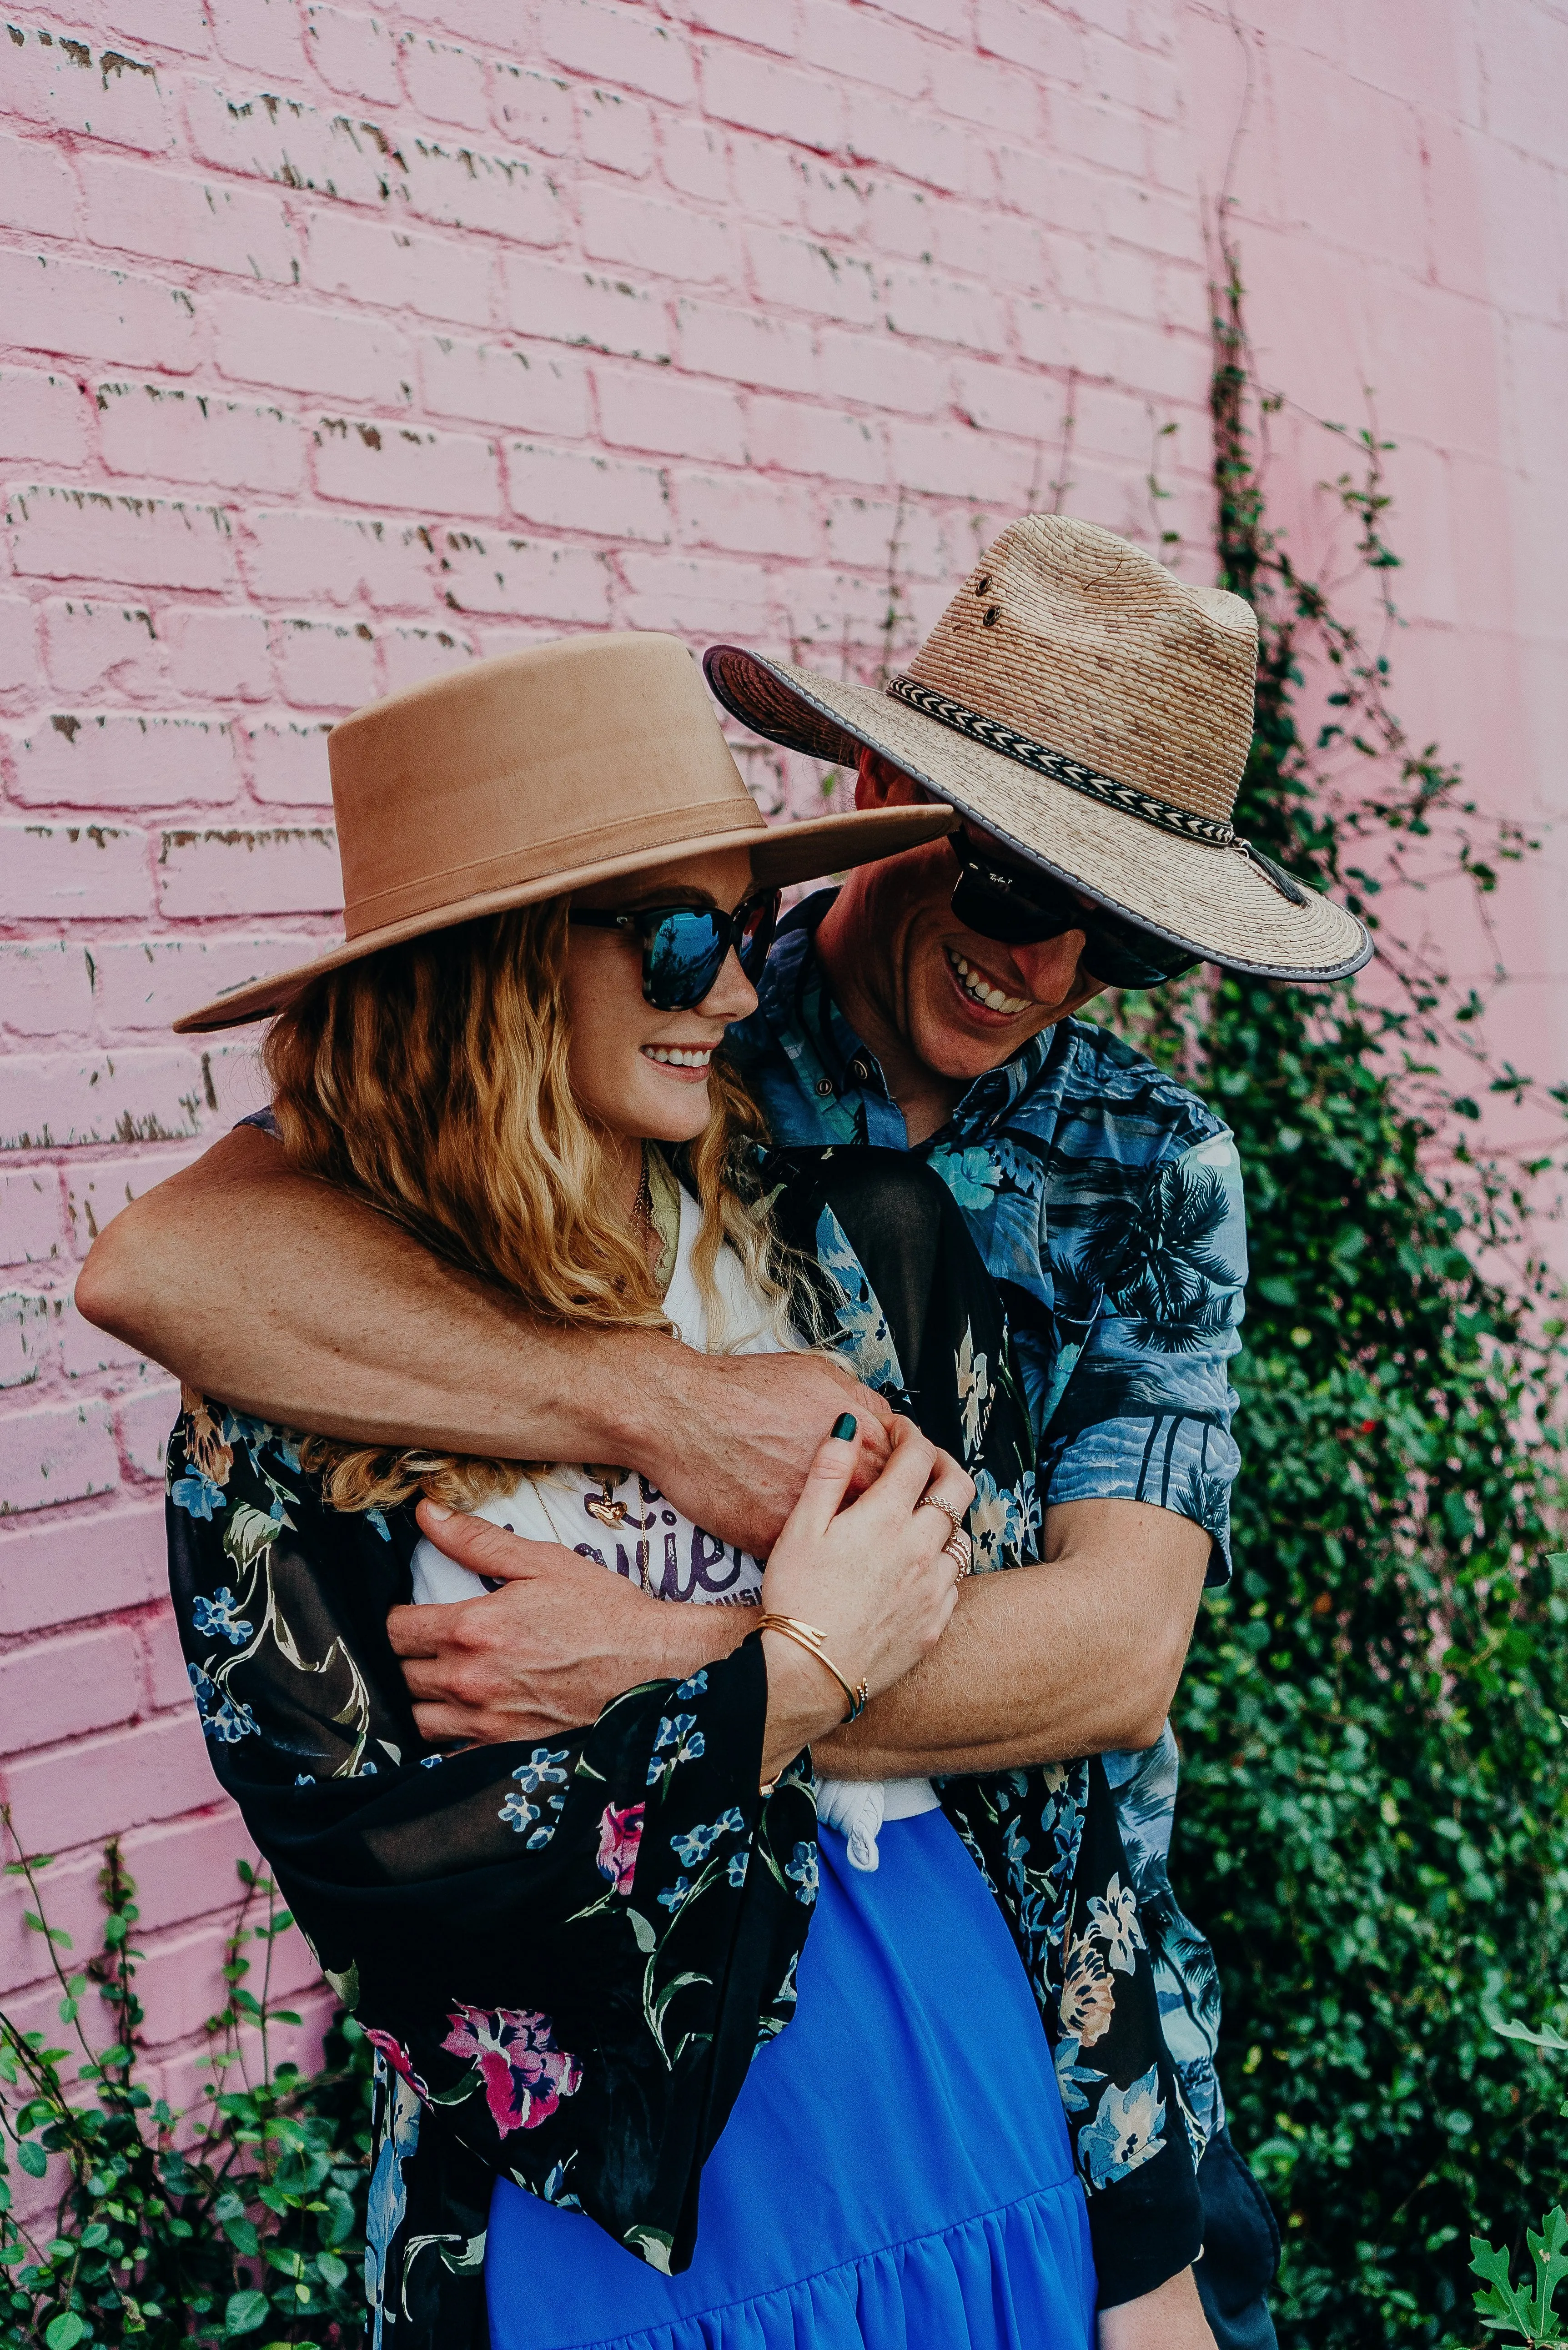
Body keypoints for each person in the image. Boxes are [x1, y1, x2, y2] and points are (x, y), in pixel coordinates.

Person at [82, 518, 1370, 2350]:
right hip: (605, 2155)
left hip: (1020, 2023)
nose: (1050, 967)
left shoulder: (1116, 1174)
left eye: (1126, 937)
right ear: (876, 788)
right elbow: (169, 1263)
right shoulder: (668, 1042)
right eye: (1012, 886)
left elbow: (1106, 1663)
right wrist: (656, 1408)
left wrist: (695, 1666)